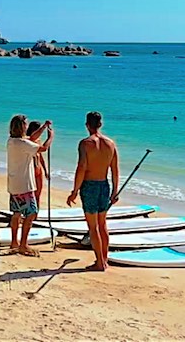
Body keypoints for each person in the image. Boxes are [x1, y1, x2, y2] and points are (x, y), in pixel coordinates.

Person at [66, 111, 119, 271]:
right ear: (100, 124)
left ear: (87, 125)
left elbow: (81, 167)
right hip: (104, 184)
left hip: (89, 186)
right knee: (102, 224)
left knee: (93, 226)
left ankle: (99, 262)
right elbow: (115, 170)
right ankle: (105, 259)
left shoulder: (85, 143)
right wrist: (115, 191)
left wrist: (75, 190)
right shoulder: (110, 143)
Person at [6, 115, 53, 256]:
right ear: (22, 127)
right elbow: (43, 148)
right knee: (31, 213)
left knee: (16, 213)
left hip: (14, 184)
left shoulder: (12, 141)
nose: (27, 127)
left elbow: (31, 139)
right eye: (25, 125)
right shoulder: (23, 144)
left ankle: (14, 242)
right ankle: (23, 244)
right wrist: (51, 137)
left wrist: (44, 127)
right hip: (25, 184)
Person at [25, 121, 51, 202]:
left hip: (38, 169)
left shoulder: (38, 140)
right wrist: (50, 137)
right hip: (31, 170)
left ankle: (36, 213)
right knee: (31, 194)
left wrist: (45, 170)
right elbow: (44, 149)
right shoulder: (27, 140)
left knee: (38, 194)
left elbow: (41, 157)